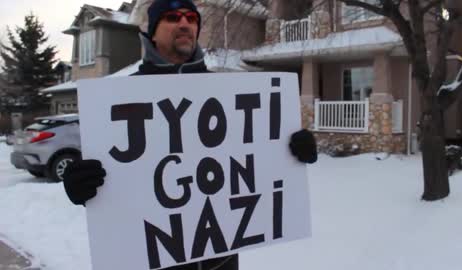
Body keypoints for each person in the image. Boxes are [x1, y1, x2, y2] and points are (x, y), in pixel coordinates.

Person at [63, 1, 318, 270]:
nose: (185, 23)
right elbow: (115, 177)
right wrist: (81, 184)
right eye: (172, 17)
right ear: (152, 31)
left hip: (221, 261)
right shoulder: (120, 98)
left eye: (191, 18)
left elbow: (249, 161)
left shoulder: (228, 93)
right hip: (154, 260)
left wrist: (293, 151)